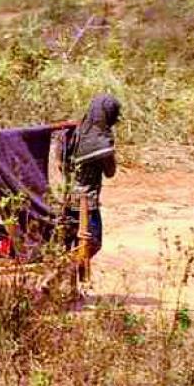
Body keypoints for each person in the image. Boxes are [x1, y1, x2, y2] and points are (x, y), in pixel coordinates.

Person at [61, 94, 120, 263]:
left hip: (64, 198)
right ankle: (58, 273)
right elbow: (110, 172)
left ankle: (67, 286)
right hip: (87, 202)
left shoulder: (74, 132)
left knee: (70, 243)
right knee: (92, 242)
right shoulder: (101, 141)